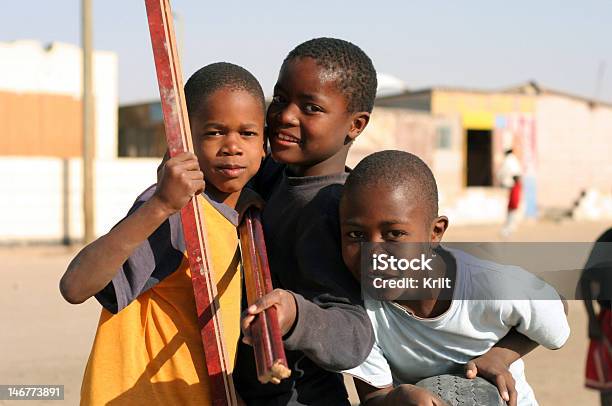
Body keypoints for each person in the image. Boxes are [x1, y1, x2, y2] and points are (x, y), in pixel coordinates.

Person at [59, 62, 267, 405]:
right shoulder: (174, 212)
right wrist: (160, 205)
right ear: (183, 139)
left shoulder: (240, 217)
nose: (232, 146)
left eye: (247, 133)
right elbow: (75, 286)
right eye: (214, 132)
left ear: (264, 143)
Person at [339, 150, 570, 406]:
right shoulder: (358, 311)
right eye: (355, 235)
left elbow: (557, 309)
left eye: (394, 234)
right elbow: (373, 397)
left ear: (435, 233)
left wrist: (499, 357)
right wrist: (396, 397)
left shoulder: (490, 286)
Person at [235, 37, 378, 405]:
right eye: (280, 99)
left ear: (355, 124)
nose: (285, 115)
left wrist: (296, 315)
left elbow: (355, 334)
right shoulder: (277, 175)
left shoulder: (337, 207)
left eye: (310, 107)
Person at [581, 228, 612, 406]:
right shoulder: (607, 239)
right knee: (607, 383)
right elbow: (586, 279)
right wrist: (592, 320)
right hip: (608, 323)